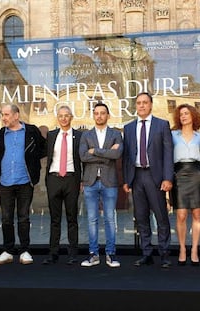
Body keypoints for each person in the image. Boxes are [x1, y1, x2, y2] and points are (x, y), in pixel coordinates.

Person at [122, 92, 174, 268]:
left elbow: (168, 154)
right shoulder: (128, 128)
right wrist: (126, 180)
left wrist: (168, 178)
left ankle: (165, 254)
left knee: (161, 217)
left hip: (156, 176)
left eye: (145, 102)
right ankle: (146, 253)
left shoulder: (162, 125)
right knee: (141, 217)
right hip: (137, 176)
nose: (142, 106)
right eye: (138, 103)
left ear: (151, 105)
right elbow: (126, 157)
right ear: (135, 106)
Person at [0, 104, 46, 265]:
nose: (4, 118)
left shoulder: (31, 131)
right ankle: (8, 251)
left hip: (25, 181)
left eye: (7, 114)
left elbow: (43, 149)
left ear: (16, 115)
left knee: (23, 218)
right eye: (3, 114)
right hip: (5, 182)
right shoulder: (1, 133)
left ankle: (24, 251)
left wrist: (33, 166)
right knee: (6, 218)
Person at [79, 102, 123, 268]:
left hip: (109, 182)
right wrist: (107, 155)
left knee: (110, 219)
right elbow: (83, 156)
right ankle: (94, 254)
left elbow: (117, 153)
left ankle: (111, 254)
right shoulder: (86, 135)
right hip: (90, 182)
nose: (99, 116)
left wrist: (95, 151)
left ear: (108, 115)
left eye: (102, 113)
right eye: (96, 113)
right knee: (92, 220)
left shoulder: (115, 134)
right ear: (93, 115)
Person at [42, 105, 82, 265]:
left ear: (71, 117)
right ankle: (53, 253)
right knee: (54, 219)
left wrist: (82, 180)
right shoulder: (51, 135)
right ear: (57, 118)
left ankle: (73, 254)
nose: (64, 118)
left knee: (72, 218)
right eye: (61, 115)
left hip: (71, 179)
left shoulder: (79, 136)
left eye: (66, 115)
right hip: (54, 179)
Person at [171, 104, 200, 266]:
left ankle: (194, 250)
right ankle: (182, 249)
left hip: (196, 173)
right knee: (181, 215)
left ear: (193, 116)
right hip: (178, 174)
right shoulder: (173, 135)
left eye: (186, 113)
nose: (183, 116)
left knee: (197, 214)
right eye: (181, 114)